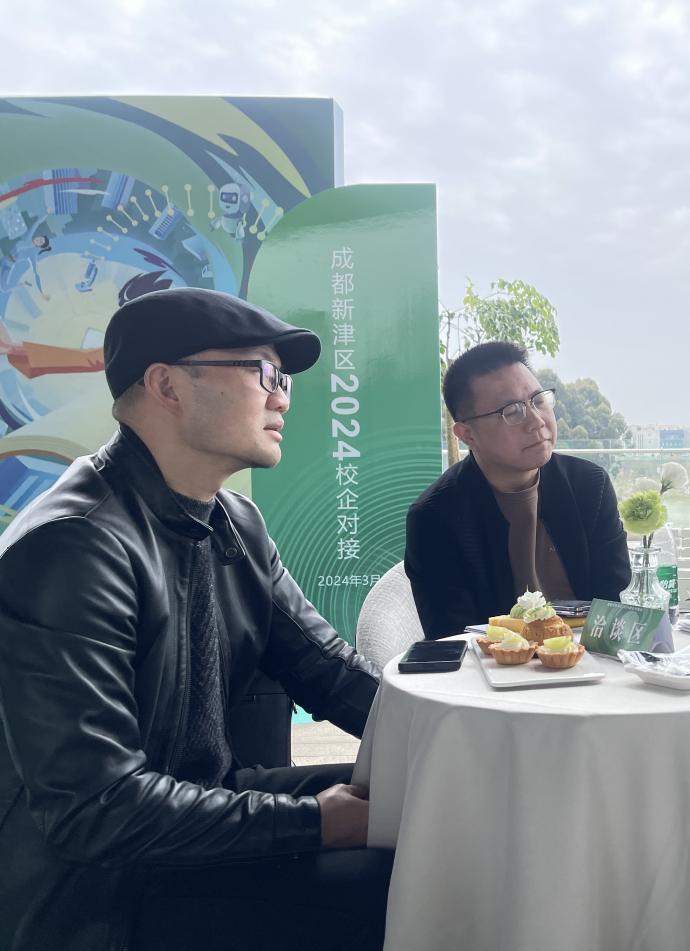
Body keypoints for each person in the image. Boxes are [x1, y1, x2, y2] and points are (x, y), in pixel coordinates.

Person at [0, 288, 387, 951]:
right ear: (166, 385)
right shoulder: (74, 545)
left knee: (429, 805)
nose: (282, 399)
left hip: (197, 812)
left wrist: (460, 728)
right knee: (394, 878)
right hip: (102, 892)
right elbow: (97, 810)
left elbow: (331, 673)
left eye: (285, 379)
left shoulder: (234, 521)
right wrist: (316, 824)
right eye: (264, 373)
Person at [406, 341, 630, 638]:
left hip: (590, 658)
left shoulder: (589, 486)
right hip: (493, 665)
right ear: (467, 434)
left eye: (538, 400)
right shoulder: (435, 517)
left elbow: (615, 605)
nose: (536, 422)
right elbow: (453, 637)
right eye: (511, 411)